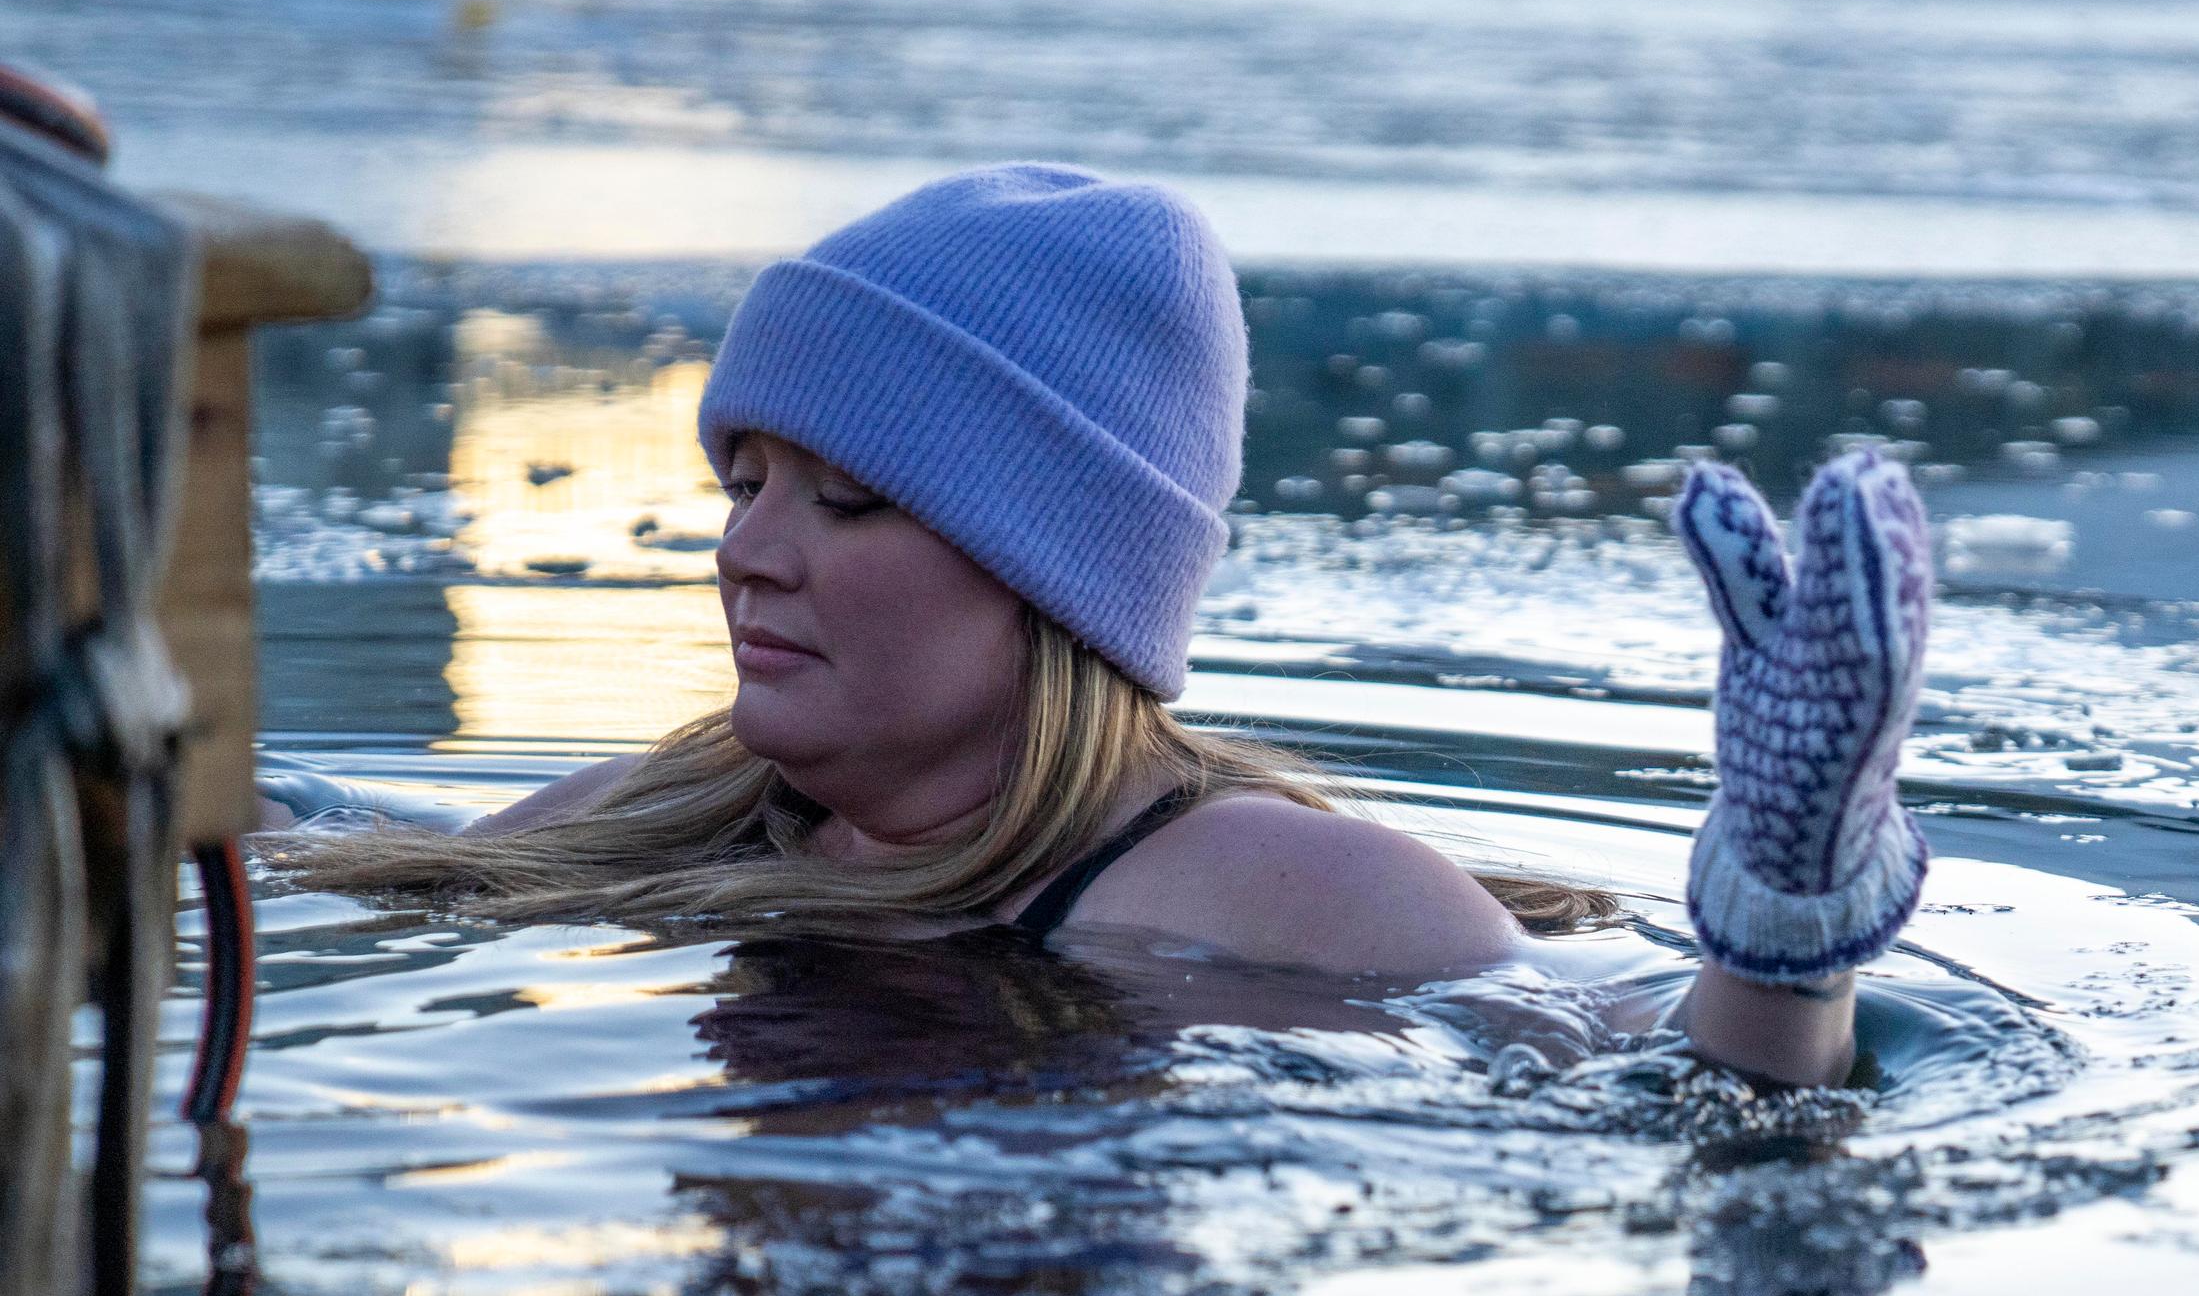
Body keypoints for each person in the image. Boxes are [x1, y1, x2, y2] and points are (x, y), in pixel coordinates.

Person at [270, 164, 1934, 1088]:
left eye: (845, 501)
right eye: (745, 480)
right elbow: (329, 871)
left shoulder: (1247, 879)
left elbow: (1667, 1073)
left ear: (1052, 574)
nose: (749, 554)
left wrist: (1785, 931)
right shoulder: (704, 799)